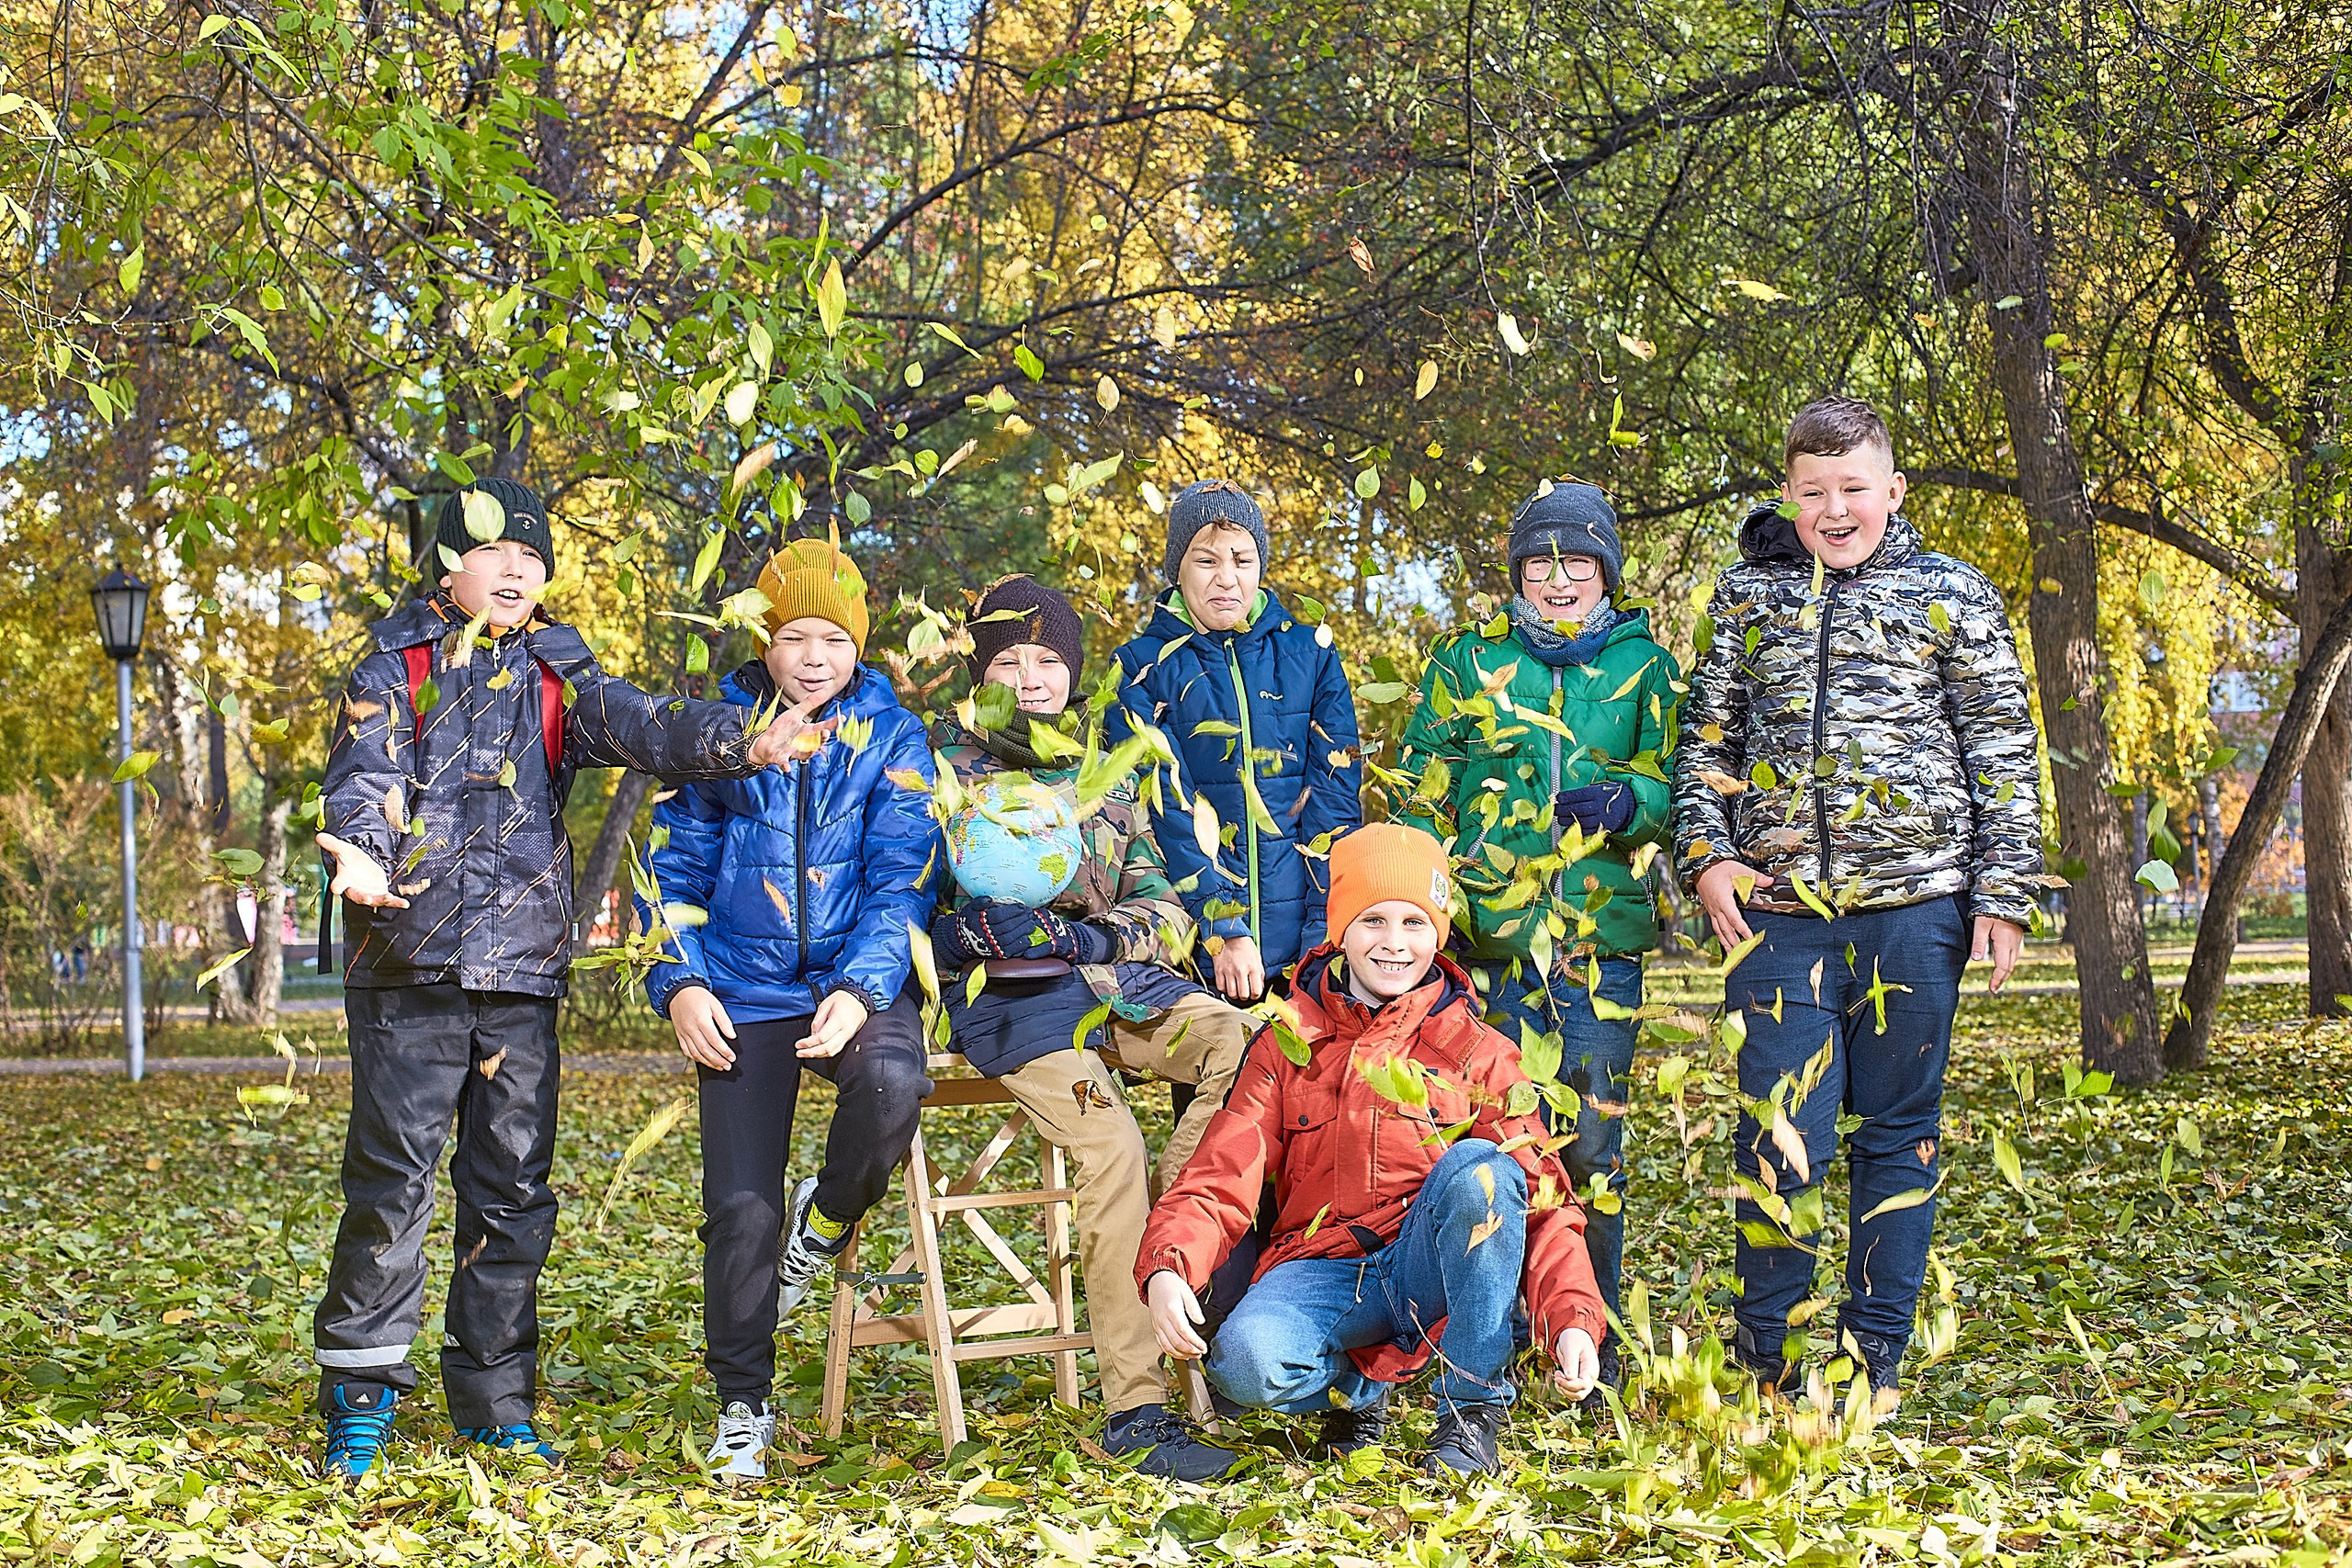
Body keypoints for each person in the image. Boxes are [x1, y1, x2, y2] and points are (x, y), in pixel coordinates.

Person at [312, 478, 800, 1480]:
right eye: (496, 552)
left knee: (513, 1193)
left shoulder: (557, 671)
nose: (517, 570)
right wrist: (358, 856)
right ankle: (360, 1392)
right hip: (407, 963)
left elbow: (644, 723)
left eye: (532, 559)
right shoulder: (394, 661)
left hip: (521, 972)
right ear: (450, 563)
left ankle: (494, 1399)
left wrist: (737, 742)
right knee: (393, 1184)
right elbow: (363, 775)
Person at [1672, 395, 2041, 1403]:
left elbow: (2003, 753)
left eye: (1854, 490)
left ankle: (1869, 1359)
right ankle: (1767, 1366)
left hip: (1915, 913)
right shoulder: (1749, 599)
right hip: (1782, 922)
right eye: (1813, 493)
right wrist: (1706, 858)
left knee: (1897, 1135)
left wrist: (2000, 895)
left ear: (1893, 491)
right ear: (1788, 496)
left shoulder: (1950, 594)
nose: (1836, 511)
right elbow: (1706, 746)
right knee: (1779, 1136)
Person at [1136, 823, 1605, 1478]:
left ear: (1438, 933)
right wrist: (1169, 1265)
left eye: (1415, 922)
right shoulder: (1287, 1043)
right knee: (1243, 1362)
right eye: (1373, 920)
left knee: (1485, 1174)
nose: (1393, 942)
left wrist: (1572, 1316)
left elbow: (1546, 1200)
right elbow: (1222, 1169)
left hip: (1429, 1263)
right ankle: (1358, 1392)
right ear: (1340, 930)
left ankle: (1469, 1412)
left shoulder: (1479, 1050)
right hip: (1325, 1266)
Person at [928, 574, 1258, 1479]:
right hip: (1014, 1009)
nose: (1029, 677)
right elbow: (896, 906)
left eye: (1046, 660)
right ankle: (1136, 1412)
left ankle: (1171, 1240)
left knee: (1238, 1043)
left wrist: (1098, 932)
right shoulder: (942, 776)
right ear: (979, 673)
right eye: (1007, 660)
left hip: (1119, 988)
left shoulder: (1106, 776)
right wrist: (950, 932)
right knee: (1109, 1148)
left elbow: (1167, 908)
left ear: (1071, 674)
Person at [639, 538, 941, 1480]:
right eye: (793, 637)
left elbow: (906, 880)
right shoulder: (716, 733)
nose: (813, 657)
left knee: (893, 1084)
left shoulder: (893, 737)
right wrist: (680, 983)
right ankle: (743, 1404)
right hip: (741, 984)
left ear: (859, 644)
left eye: (832, 639)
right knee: (738, 1208)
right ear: (762, 643)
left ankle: (827, 1218)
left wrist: (860, 990)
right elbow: (670, 873)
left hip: (856, 976)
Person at [1396, 480, 1679, 1402]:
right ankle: (1494, 1332)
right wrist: (1439, 899)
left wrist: (1631, 803)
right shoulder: (1468, 663)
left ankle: (1585, 1340)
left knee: (1591, 1146)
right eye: (1539, 560)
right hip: (1492, 951)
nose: (1558, 578)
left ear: (1606, 570)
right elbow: (1417, 794)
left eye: (1579, 560)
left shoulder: (1646, 667)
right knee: (1498, 1144)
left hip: (1597, 952)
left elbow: (1681, 787)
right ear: (1517, 571)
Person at [1111, 479, 1363, 1003]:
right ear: (1177, 569)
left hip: (1306, 945)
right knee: (1221, 1076)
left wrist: (1325, 931)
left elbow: (1334, 801)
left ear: (1260, 566)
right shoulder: (1139, 669)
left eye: (1242, 560)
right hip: (1201, 947)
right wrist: (1226, 926)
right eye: (1206, 561)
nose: (1226, 579)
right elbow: (1165, 806)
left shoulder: (1309, 653)